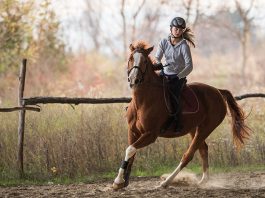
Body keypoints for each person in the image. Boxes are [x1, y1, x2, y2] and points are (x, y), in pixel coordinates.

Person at [154, 16, 195, 132]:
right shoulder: (163, 42)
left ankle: (176, 120)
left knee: (174, 97)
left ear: (183, 31)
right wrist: (158, 64)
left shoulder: (184, 46)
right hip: (164, 73)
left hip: (177, 77)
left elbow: (189, 66)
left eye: (180, 30)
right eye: (176, 29)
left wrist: (178, 76)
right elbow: (157, 58)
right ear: (171, 29)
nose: (178, 31)